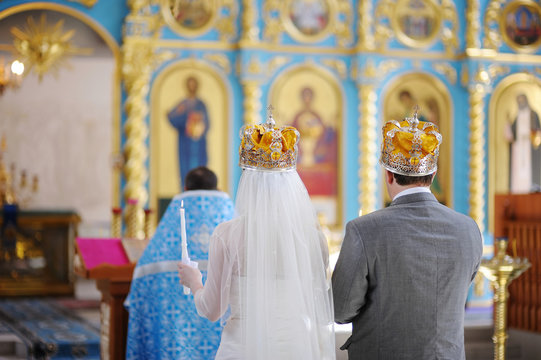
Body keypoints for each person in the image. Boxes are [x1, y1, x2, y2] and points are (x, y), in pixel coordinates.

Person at [178, 110, 336, 359]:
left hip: (241, 348)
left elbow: (211, 309)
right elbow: (318, 303)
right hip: (295, 348)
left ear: (248, 182)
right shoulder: (313, 238)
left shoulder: (227, 235)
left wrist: (194, 280)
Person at [332, 111, 483, 359]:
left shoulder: (363, 230)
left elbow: (340, 310)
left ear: (388, 175)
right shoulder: (468, 229)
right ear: (433, 176)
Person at [125, 166, 235, 360]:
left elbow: (143, 273)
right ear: (217, 187)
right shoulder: (230, 223)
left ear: (185, 187)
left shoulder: (171, 226)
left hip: (175, 331)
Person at [168, 76, 210, 188]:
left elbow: (207, 123)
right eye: (189, 85)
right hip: (185, 142)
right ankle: (186, 188)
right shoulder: (183, 104)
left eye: (193, 85)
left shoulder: (201, 104)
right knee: (185, 167)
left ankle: (201, 187)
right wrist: (184, 116)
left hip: (198, 143)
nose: (191, 87)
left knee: (199, 167)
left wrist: (199, 122)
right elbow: (172, 117)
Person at [505, 93, 541, 193]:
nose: (521, 103)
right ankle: (517, 188)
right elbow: (512, 134)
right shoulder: (517, 116)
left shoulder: (533, 115)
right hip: (519, 146)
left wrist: (532, 138)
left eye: (522, 100)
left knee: (528, 167)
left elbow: (538, 132)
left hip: (529, 146)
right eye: (519, 101)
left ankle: (532, 187)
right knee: (518, 167)